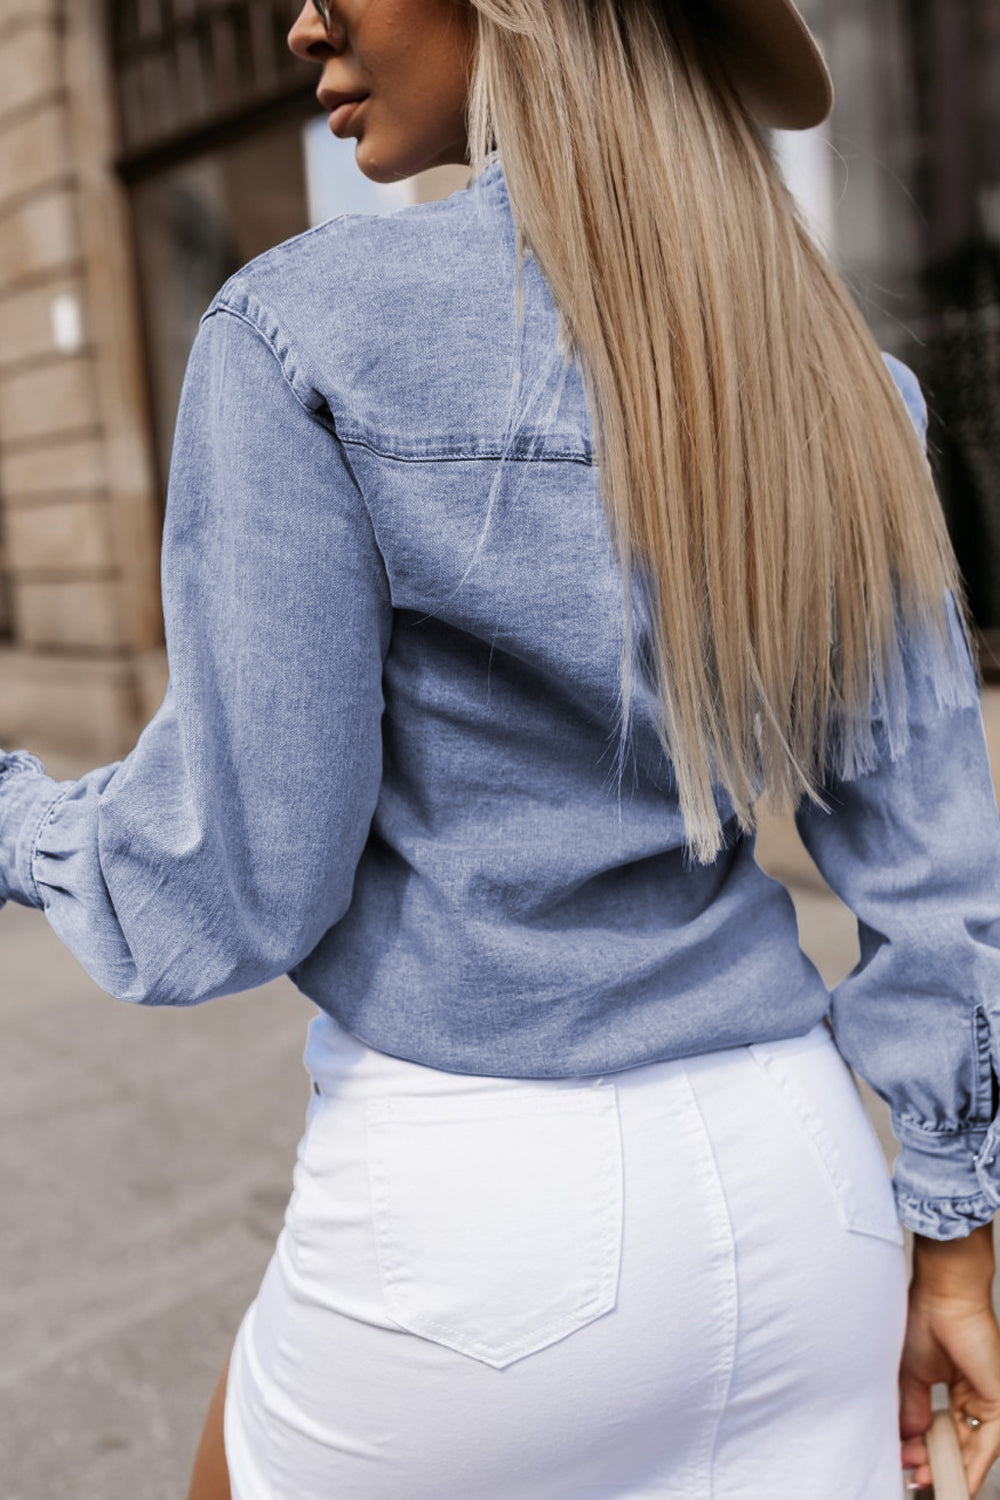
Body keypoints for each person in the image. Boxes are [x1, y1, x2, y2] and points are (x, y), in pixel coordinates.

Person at [3, 0, 1000, 1494]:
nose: (297, 22)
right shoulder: (843, 378)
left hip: (477, 1225)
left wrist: (20, 822)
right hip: (808, 1196)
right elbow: (936, 870)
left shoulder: (301, 328)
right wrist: (958, 1243)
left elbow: (232, 883)